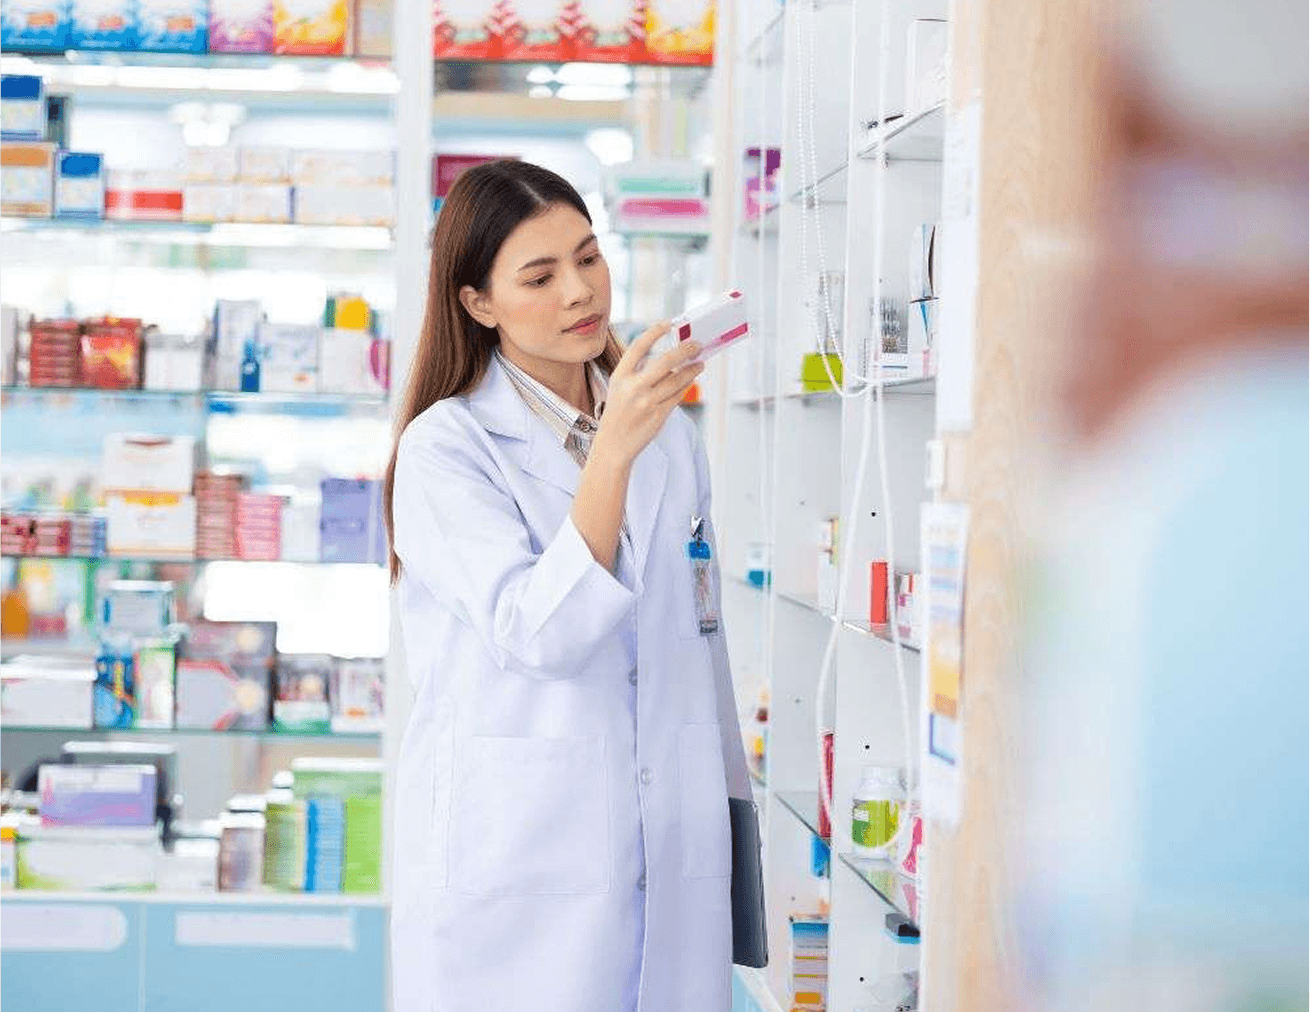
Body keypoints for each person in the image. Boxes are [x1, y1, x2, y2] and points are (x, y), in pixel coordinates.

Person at [383, 160, 751, 1012]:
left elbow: (697, 644)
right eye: (540, 276)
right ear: (478, 302)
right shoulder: (449, 449)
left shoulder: (670, 437)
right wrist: (613, 451)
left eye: (590, 258)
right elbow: (540, 634)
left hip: (669, 847)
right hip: (521, 861)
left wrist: (721, 816)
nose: (580, 291)